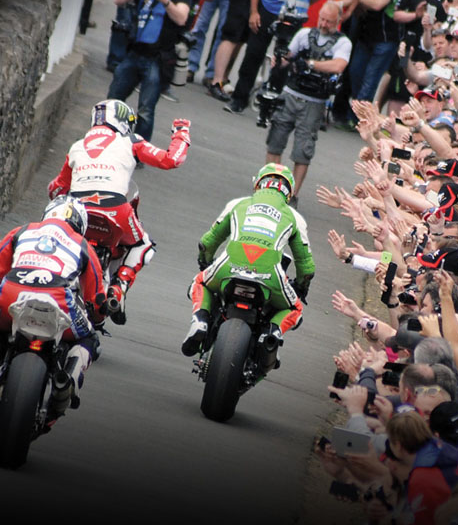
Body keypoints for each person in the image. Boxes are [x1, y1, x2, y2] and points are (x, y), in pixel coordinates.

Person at [48, 100, 191, 325]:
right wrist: (181, 134)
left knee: (55, 237)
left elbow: (57, 188)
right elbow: (172, 159)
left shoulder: (77, 145)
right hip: (115, 208)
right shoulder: (131, 141)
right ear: (123, 120)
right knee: (143, 244)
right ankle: (119, 286)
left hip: (76, 209)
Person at [182, 163, 315, 360]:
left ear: (258, 184)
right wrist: (302, 286)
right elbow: (305, 265)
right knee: (295, 308)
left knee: (200, 282)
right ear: (289, 193)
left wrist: (205, 261)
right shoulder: (295, 218)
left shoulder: (238, 203)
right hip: (270, 276)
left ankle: (200, 320)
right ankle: (272, 333)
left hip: (228, 267)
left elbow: (207, 242)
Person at [0, 196, 107, 411]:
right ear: (81, 224)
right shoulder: (82, 244)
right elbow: (96, 298)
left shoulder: (22, 230)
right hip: (58, 298)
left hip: (12, 293)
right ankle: (67, 381)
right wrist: (97, 315)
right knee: (89, 339)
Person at [264, 1, 352, 207]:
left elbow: (339, 65)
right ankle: (271, 187)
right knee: (275, 140)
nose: (323, 24)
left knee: (303, 150)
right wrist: (280, 57)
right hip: (290, 93)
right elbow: (287, 58)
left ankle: (291, 195)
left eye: (329, 21)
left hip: (314, 101)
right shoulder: (304, 34)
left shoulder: (343, 43)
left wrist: (311, 64)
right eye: (322, 19)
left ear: (338, 21)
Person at [224, 0, 330, 114]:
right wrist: (254, 11)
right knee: (253, 54)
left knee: (285, 61)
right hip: (268, 9)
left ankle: (272, 104)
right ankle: (239, 99)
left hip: (295, 16)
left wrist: (304, 4)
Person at [107, 0, 192, 141]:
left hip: (157, 58)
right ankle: (106, 138)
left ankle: (139, 152)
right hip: (134, 53)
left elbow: (181, 18)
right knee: (113, 99)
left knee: (146, 109)